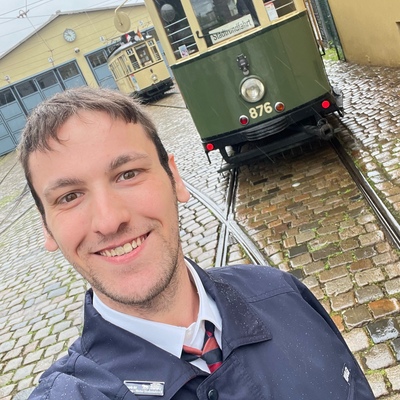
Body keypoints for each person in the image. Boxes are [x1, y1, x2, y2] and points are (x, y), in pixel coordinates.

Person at [19, 86, 374, 399]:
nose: (109, 220)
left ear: (174, 178)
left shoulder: (282, 293)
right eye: (69, 196)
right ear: (47, 227)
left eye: (128, 174)